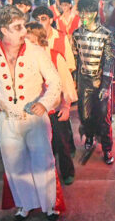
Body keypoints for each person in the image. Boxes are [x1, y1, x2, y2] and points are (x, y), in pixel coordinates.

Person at [0, 5, 64, 221]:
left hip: (35, 119)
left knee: (43, 162)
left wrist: (45, 102)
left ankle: (50, 206)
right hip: (7, 121)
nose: (24, 31)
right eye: (18, 27)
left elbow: (54, 81)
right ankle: (25, 204)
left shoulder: (36, 51)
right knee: (14, 164)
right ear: (4, 30)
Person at [26, 22, 77, 184]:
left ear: (41, 41)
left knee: (61, 143)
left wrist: (66, 106)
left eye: (32, 42)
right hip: (33, 111)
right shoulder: (24, 59)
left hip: (54, 109)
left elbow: (67, 84)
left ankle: (67, 172)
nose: (28, 47)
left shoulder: (54, 56)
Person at [72, 0, 115, 164]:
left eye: (85, 13)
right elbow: (76, 60)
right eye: (80, 13)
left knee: (104, 118)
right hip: (84, 82)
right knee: (84, 116)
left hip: (100, 82)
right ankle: (89, 136)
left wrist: (105, 85)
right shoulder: (76, 34)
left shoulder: (106, 35)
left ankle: (107, 148)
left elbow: (109, 61)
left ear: (93, 13)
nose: (82, 16)